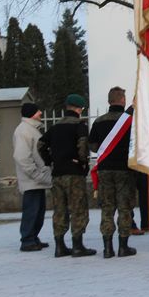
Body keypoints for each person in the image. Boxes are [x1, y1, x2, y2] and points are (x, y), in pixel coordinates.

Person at [38, 94, 96, 258]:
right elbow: (83, 146)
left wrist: (49, 160)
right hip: (74, 173)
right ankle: (78, 246)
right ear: (79, 109)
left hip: (57, 174)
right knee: (78, 208)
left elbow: (40, 144)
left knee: (60, 209)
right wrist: (83, 163)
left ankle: (60, 246)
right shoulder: (80, 126)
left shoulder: (55, 127)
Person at [88, 87, 136, 258]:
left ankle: (107, 248)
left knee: (107, 208)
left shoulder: (99, 121)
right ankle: (124, 246)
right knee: (124, 208)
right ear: (123, 100)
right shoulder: (130, 121)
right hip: (124, 169)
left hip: (105, 170)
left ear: (109, 101)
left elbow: (92, 146)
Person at [13, 102, 52, 252]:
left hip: (37, 179)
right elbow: (22, 157)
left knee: (38, 211)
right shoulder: (24, 131)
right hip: (32, 180)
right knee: (32, 211)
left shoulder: (31, 129)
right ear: (31, 114)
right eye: (37, 111)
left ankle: (33, 237)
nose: (41, 113)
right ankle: (27, 240)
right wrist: (36, 174)